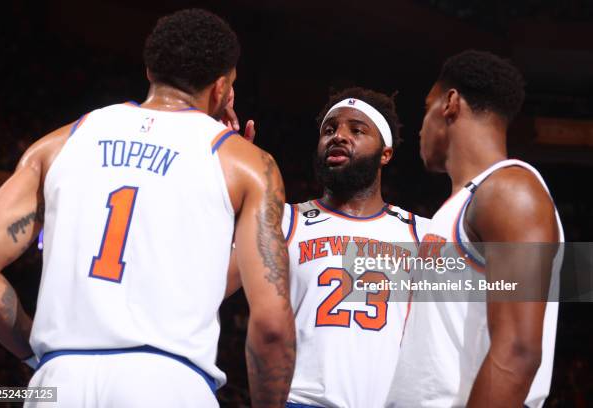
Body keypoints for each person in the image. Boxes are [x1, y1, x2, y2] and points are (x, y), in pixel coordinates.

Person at [0, 9, 295, 408]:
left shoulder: (60, 142)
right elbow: (270, 326)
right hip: (168, 383)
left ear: (149, 70)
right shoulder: (247, 163)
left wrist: (37, 354)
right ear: (221, 89)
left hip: (61, 381)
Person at [227, 87, 428, 407]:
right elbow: (207, 287)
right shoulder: (283, 221)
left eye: (357, 130)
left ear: (385, 153)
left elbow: (502, 306)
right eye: (330, 130)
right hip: (301, 400)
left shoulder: (422, 235)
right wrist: (224, 184)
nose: (339, 136)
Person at [387, 50, 563, 407]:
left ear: (450, 103)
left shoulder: (510, 192)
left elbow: (517, 351)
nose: (421, 127)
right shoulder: (463, 204)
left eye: (426, 107)